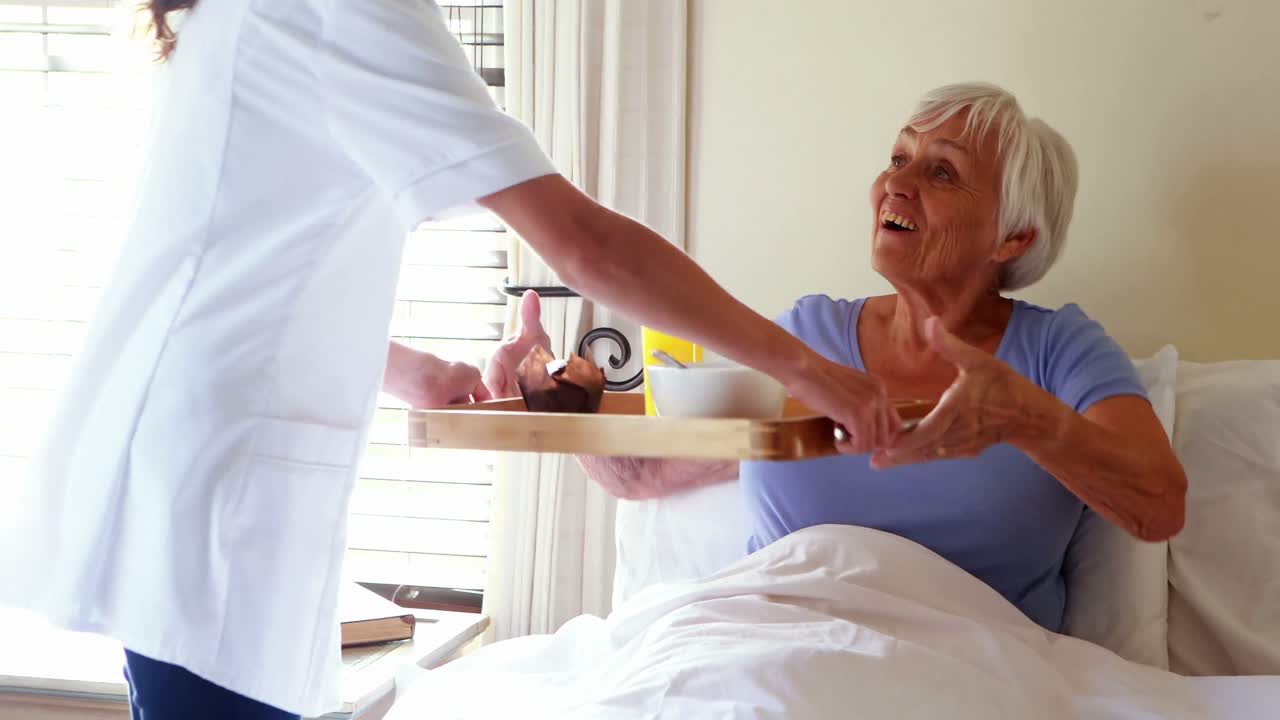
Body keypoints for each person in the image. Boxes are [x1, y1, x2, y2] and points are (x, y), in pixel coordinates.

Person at [0, 2, 902, 719]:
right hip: (206, 485)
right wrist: (810, 370)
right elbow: (584, 243)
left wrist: (405, 370)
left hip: (184, 457)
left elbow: (243, 260)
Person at [564, 83, 1188, 635]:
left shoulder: (1059, 351)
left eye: (942, 172)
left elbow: (1158, 504)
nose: (896, 182)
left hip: (973, 674)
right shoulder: (805, 340)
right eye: (898, 158)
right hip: (764, 644)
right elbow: (643, 472)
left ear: (1013, 236)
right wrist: (559, 395)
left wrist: (1027, 420)